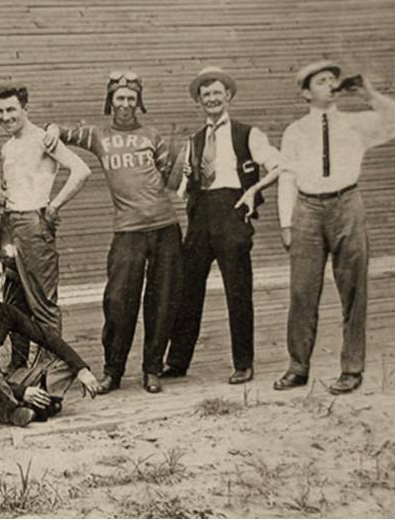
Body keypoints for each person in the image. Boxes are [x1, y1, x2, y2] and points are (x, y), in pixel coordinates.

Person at [45, 70, 182, 394]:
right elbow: (63, 133)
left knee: (162, 301)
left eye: (131, 99)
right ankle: (113, 372)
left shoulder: (152, 135)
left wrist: (180, 162)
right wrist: (52, 128)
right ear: (110, 101)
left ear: (138, 103)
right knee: (118, 301)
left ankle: (152, 369)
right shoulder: (98, 135)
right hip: (128, 231)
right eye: (120, 98)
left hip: (165, 227)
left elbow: (173, 182)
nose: (125, 104)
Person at [274, 61, 394, 394]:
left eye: (332, 80)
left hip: (347, 204)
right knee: (302, 291)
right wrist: (286, 223)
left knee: (354, 290)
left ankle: (352, 369)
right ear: (305, 93)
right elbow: (287, 176)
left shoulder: (357, 124)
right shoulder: (295, 131)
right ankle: (297, 367)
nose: (329, 84)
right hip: (308, 210)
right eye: (320, 81)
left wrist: (369, 94)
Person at [160, 67, 283, 385]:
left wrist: (254, 191)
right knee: (188, 290)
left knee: (238, 292)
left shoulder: (248, 133)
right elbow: (182, 185)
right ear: (199, 102)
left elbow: (278, 166)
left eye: (217, 93)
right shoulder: (194, 140)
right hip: (200, 216)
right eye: (206, 95)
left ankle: (243, 363)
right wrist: (172, 171)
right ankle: (177, 361)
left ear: (227, 96)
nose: (212, 99)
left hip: (233, 212)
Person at [0, 84, 92, 380]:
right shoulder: (8, 146)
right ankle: (19, 368)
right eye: (0, 111)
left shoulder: (43, 139)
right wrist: (1, 199)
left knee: (43, 304)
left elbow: (81, 170)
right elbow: (16, 190)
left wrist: (55, 205)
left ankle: (52, 373)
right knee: (12, 300)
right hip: (10, 223)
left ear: (25, 109)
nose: (6, 116)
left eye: (11, 110)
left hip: (34, 224)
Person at [0, 252, 99, 427]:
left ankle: (27, 403)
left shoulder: (5, 311)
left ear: (3, 279)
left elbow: (46, 337)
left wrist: (81, 369)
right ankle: (19, 409)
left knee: (65, 363)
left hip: (1, 384)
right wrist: (21, 391)